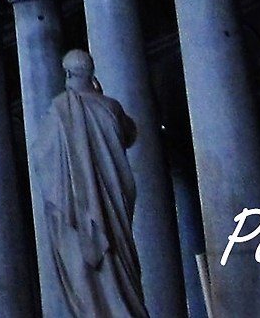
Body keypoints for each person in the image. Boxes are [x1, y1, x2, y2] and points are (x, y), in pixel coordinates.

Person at [32, 49, 149, 318]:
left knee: (89, 280)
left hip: (76, 210)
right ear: (91, 75)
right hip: (112, 203)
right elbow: (130, 134)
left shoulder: (59, 111)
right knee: (119, 269)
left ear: (68, 74)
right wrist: (99, 96)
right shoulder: (109, 107)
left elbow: (41, 155)